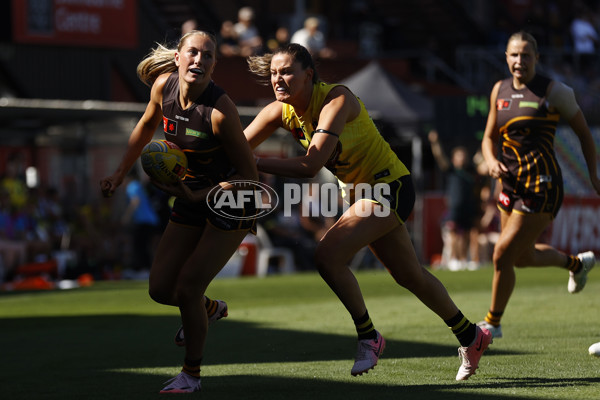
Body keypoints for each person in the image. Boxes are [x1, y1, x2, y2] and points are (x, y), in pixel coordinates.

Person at [244, 43, 491, 380]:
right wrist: (193, 156)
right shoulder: (281, 111)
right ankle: (471, 336)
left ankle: (368, 336)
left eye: (287, 71)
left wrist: (252, 163)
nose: (278, 79)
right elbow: (235, 145)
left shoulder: (336, 100)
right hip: (362, 195)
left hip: (389, 187)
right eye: (274, 73)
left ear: (309, 75)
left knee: (327, 256)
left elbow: (310, 164)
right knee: (409, 276)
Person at [100, 30, 258, 393]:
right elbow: (144, 127)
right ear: (178, 58)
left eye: (207, 56)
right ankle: (209, 309)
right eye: (193, 53)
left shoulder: (220, 112)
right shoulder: (162, 87)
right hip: (190, 195)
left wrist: (200, 194)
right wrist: (119, 174)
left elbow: (250, 176)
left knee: (187, 288)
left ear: (214, 66)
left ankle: (192, 375)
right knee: (159, 289)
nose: (199, 60)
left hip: (233, 203)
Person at [478, 31, 600, 339]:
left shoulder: (554, 92)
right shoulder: (499, 90)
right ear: (506, 58)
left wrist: (594, 176)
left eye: (526, 55)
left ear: (537, 58)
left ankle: (492, 322)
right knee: (523, 257)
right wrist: (491, 161)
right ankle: (577, 264)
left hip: (542, 186)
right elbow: (488, 138)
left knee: (502, 254)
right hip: (510, 186)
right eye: (514, 55)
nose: (520, 61)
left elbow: (585, 135)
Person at [428, 130, 480, 271]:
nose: (462, 158)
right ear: (454, 158)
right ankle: (454, 260)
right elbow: (439, 156)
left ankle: (465, 259)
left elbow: (481, 157)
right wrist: (435, 142)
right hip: (455, 207)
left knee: (469, 233)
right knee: (455, 234)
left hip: (469, 206)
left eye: (463, 156)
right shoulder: (450, 170)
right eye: (459, 156)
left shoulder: (471, 170)